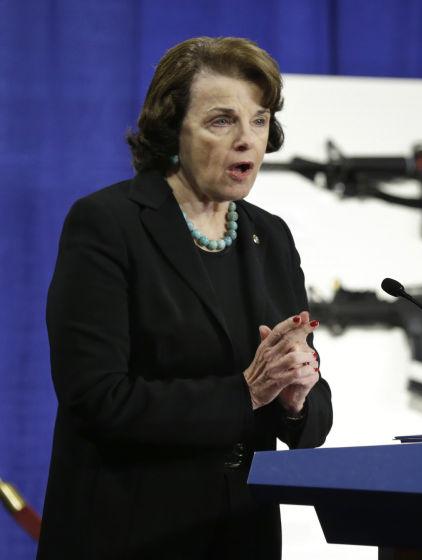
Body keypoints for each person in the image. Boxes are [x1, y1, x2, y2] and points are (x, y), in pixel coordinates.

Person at [38, 37, 332, 559]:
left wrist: (295, 399)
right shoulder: (109, 225)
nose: (248, 140)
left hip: (242, 535)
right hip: (129, 533)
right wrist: (244, 393)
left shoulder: (271, 237)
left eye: (260, 121)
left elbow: (311, 412)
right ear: (172, 127)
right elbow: (97, 400)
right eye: (223, 120)